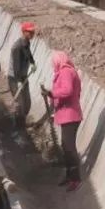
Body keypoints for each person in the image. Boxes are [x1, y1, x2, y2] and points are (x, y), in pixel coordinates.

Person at [40, 51, 83, 191]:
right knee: (65, 146)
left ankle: (75, 178)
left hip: (70, 115)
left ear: (58, 60)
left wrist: (51, 93)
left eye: (53, 62)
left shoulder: (65, 72)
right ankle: (69, 175)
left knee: (69, 147)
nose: (53, 64)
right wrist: (50, 95)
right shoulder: (66, 71)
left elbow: (68, 90)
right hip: (66, 114)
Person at [9, 22, 37, 119]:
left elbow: (28, 53)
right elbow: (16, 66)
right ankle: (18, 128)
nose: (32, 34)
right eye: (30, 32)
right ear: (24, 32)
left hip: (23, 77)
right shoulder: (17, 47)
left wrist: (33, 62)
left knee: (27, 103)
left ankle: (21, 122)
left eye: (33, 32)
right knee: (20, 104)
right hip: (14, 78)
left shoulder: (26, 43)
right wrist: (19, 81)